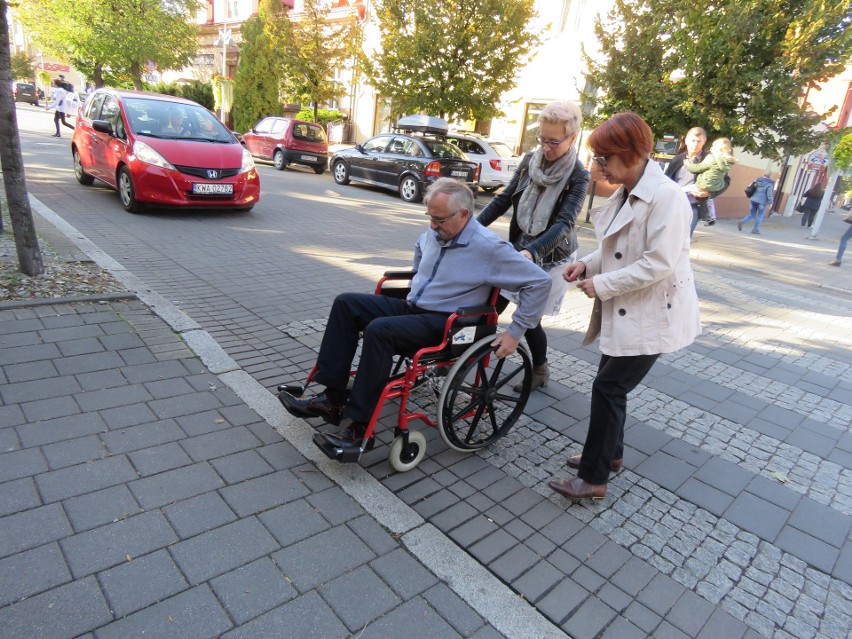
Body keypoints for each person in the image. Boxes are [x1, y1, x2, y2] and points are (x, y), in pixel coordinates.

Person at [278, 178, 552, 450]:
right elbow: (421, 249)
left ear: (464, 215)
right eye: (430, 217)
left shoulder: (489, 247)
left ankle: (360, 430)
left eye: (440, 220)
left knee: (380, 331)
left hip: (446, 323)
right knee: (346, 304)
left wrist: (515, 332)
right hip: (415, 307)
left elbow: (540, 282)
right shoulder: (437, 231)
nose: (433, 225)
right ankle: (333, 399)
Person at [548, 112, 701, 502]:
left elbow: (657, 263)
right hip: (630, 310)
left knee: (608, 387)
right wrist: (586, 263)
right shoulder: (627, 190)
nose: (598, 165)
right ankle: (609, 454)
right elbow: (614, 247)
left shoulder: (667, 198)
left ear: (631, 154)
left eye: (604, 158)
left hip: (656, 314)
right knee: (610, 385)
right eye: (597, 157)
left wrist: (600, 284)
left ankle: (593, 478)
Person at [477, 101, 590, 391]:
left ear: (572, 138)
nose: (547, 147)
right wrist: (471, 228)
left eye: (554, 141)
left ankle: (539, 371)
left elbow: (564, 223)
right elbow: (504, 198)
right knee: (491, 302)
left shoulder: (579, 175)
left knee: (528, 319)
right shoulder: (531, 161)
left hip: (553, 255)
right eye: (542, 139)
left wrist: (531, 252)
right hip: (521, 246)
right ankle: (471, 356)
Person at [664, 127, 708, 238]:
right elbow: (666, 179)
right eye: (693, 140)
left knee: (684, 240)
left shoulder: (710, 160)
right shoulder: (678, 159)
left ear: (704, 142)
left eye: (699, 141)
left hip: (693, 206)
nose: (695, 144)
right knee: (667, 237)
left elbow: (725, 181)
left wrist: (709, 193)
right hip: (674, 205)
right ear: (687, 141)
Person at [684, 137, 736, 223]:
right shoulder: (726, 161)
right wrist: (711, 193)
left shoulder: (711, 158)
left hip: (703, 184)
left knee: (681, 190)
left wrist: (688, 164)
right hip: (715, 186)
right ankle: (711, 217)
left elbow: (698, 168)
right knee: (709, 200)